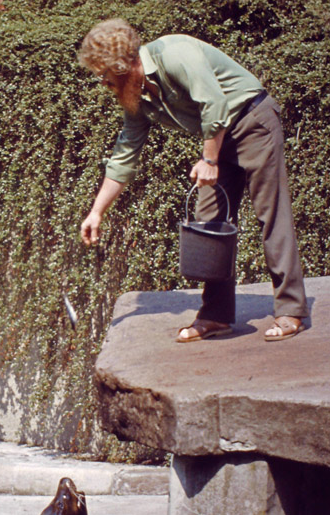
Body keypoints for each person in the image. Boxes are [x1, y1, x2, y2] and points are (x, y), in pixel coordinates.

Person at [78, 19, 308, 343]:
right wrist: (97, 212)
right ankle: (216, 315)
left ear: (123, 64)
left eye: (103, 72)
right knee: (208, 221)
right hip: (219, 137)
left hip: (252, 120)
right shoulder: (138, 96)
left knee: (270, 214)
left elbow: (216, 103)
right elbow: (124, 154)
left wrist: (209, 160)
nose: (101, 81)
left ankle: (292, 309)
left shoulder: (175, 53)